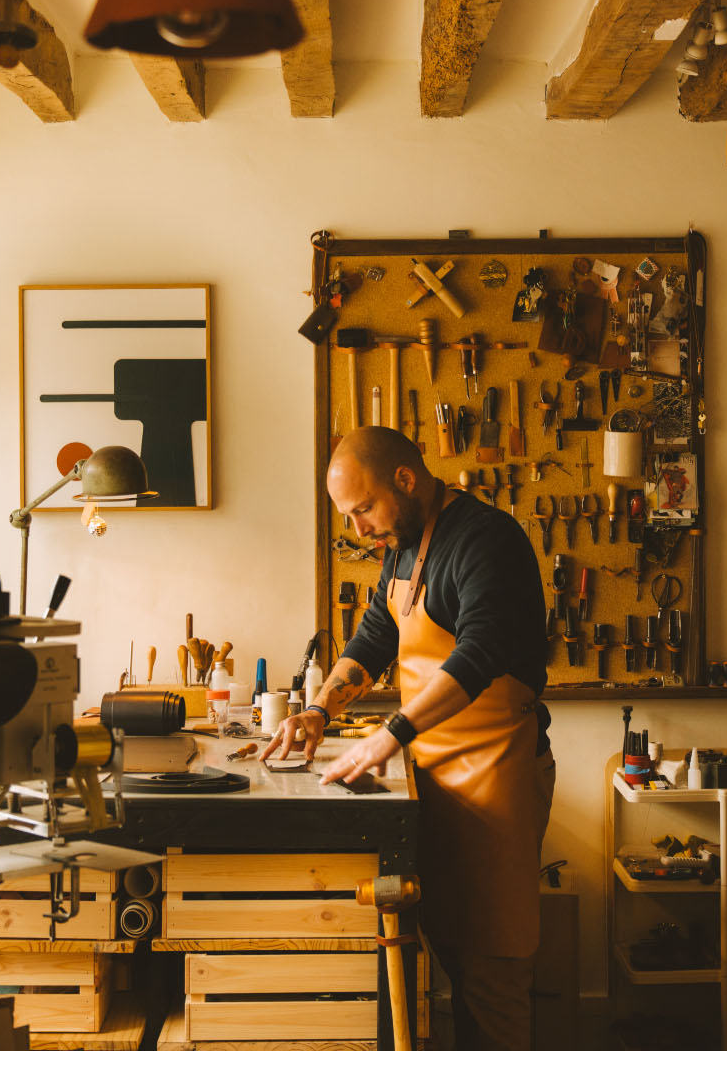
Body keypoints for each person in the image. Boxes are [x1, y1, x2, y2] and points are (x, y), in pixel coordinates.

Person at [262, 425, 556, 1050]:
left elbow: (478, 655)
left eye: (364, 509)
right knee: (452, 949)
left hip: (498, 770)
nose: (360, 529)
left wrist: (388, 736)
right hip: (437, 774)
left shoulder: (486, 540)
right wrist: (319, 711)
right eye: (350, 517)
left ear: (405, 478)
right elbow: (375, 636)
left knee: (495, 970)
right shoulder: (402, 545)